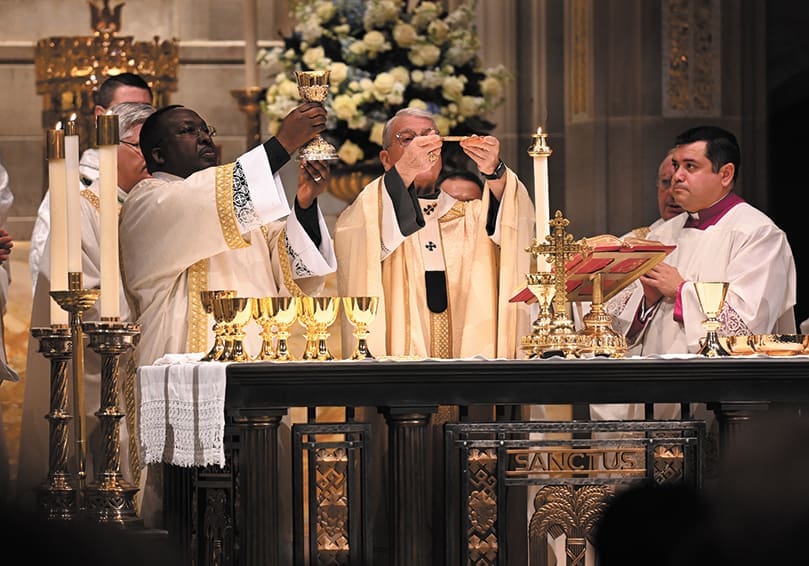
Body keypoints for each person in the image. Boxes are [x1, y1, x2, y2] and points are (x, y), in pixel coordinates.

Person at [16, 103, 155, 510]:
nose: (152, 157)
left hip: (148, 358)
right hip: (99, 359)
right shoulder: (83, 205)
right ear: (113, 146)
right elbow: (80, 291)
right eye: (142, 146)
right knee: (102, 456)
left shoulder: (153, 204)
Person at [334, 107, 534, 359]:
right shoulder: (372, 210)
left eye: (430, 138)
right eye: (408, 139)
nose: (422, 146)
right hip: (397, 368)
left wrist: (495, 171)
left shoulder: (471, 216)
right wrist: (404, 171)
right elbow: (357, 238)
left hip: (469, 364)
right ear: (385, 159)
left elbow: (515, 226)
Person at [609, 126, 796, 353]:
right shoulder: (660, 235)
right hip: (655, 369)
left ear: (725, 174)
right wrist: (646, 302)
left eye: (690, 166)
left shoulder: (758, 234)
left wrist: (680, 291)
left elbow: (749, 323)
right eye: (676, 166)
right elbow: (619, 326)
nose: (677, 176)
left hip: (719, 374)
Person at [29, 73, 153, 291]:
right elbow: (44, 264)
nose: (137, 118)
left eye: (145, 111)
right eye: (126, 109)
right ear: (100, 117)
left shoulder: (159, 183)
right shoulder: (73, 186)